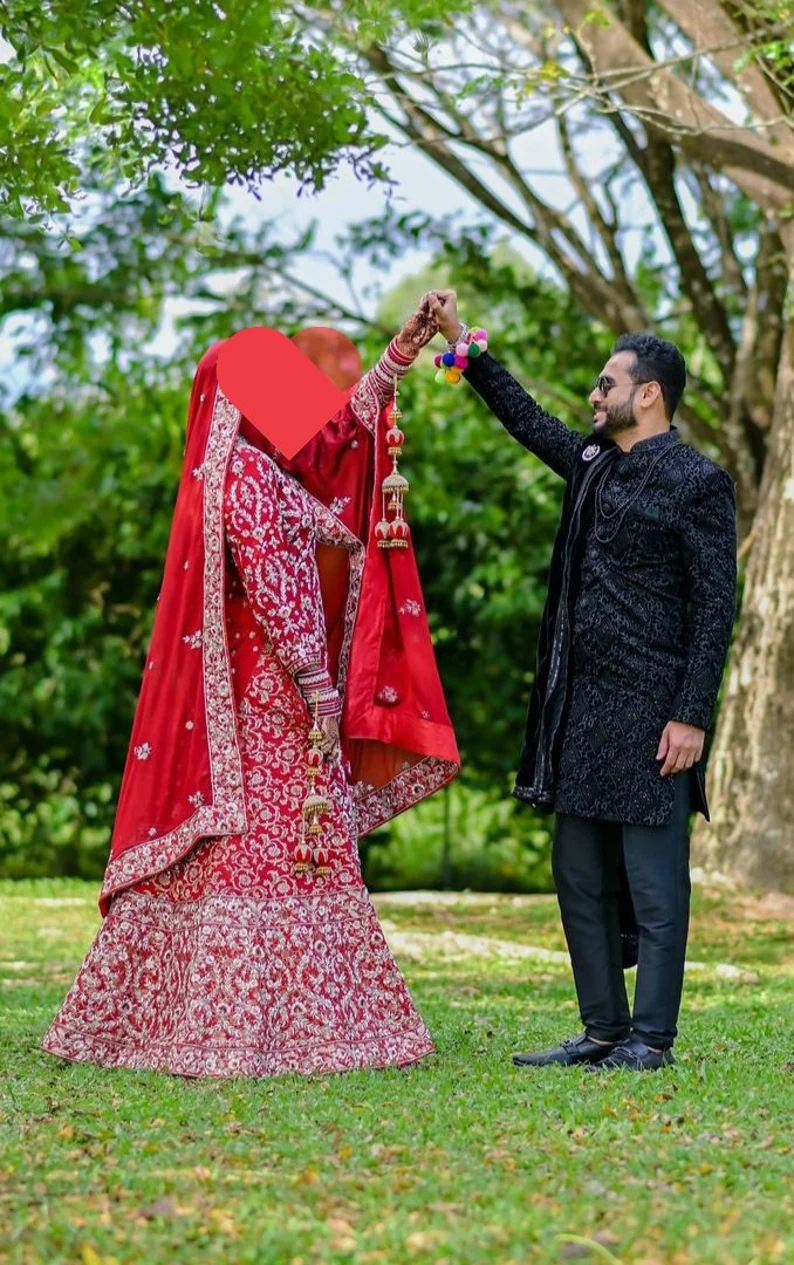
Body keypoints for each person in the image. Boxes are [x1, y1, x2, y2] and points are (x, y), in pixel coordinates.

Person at [42, 303, 460, 1078]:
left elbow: (341, 445)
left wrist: (400, 356)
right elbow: (275, 584)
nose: (305, 408)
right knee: (290, 858)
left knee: (243, 861)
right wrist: (318, 684)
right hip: (274, 701)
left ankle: (193, 1027)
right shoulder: (250, 479)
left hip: (255, 702)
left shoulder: (247, 470)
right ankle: (266, 1033)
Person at [428, 290, 737, 1071]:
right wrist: (463, 344)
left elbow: (713, 608)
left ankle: (651, 1039)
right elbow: (527, 419)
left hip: (654, 712)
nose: (596, 396)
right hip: (580, 708)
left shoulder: (699, 482)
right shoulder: (594, 464)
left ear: (649, 394)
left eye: (607, 383)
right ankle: (602, 1029)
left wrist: (691, 714)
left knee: (656, 884)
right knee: (579, 879)